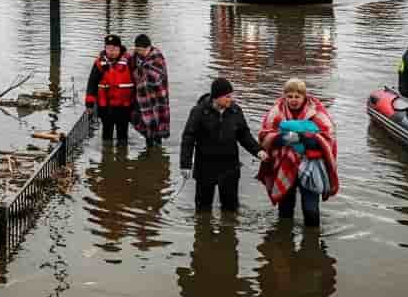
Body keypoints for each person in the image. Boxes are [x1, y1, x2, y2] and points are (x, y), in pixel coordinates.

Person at [257, 79, 339, 227]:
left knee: (311, 210)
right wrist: (280, 138)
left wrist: (305, 138)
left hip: (310, 166)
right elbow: (264, 136)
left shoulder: (317, 111)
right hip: (283, 164)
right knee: (285, 209)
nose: (293, 100)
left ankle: (312, 240)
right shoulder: (276, 111)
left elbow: (328, 138)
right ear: (284, 96)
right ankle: (283, 243)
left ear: (304, 96)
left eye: (297, 96)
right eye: (289, 96)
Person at [180, 78, 269, 212]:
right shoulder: (199, 111)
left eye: (231, 96)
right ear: (216, 97)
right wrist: (185, 164)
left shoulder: (235, 110)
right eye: (227, 96)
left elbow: (244, 135)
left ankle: (229, 231)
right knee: (203, 209)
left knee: (230, 208)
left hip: (230, 167)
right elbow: (188, 139)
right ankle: (203, 231)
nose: (230, 99)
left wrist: (258, 151)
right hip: (205, 167)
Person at [85, 34, 135, 143]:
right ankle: (106, 156)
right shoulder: (99, 63)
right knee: (106, 135)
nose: (111, 51)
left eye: (114, 49)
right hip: (105, 107)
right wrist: (89, 104)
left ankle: (122, 156)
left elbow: (137, 81)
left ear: (119, 48)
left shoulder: (130, 61)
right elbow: (92, 84)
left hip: (124, 107)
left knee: (122, 136)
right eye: (108, 48)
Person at [129, 34, 171, 146]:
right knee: (143, 124)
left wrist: (141, 71)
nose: (139, 52)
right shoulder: (135, 58)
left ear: (148, 48)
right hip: (141, 99)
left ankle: (156, 147)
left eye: (141, 50)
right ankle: (151, 154)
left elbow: (157, 79)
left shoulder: (157, 58)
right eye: (137, 50)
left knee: (156, 127)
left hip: (157, 99)